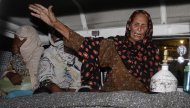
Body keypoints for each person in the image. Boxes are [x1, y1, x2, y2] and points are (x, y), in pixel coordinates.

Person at [29, 4, 160, 93]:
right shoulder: (115, 45)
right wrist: (55, 23)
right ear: (129, 26)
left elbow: (158, 84)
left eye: (144, 25)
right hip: (113, 101)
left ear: (148, 29)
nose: (139, 29)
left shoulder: (152, 52)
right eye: (136, 24)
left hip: (141, 104)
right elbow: (83, 44)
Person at [1, 25, 44, 97]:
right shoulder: (10, 56)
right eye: (16, 39)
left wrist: (16, 52)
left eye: (22, 41)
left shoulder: (42, 56)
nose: (16, 44)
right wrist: (9, 74)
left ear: (31, 40)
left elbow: (30, 80)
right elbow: (5, 71)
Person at [34, 29, 82, 94]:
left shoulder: (80, 52)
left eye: (62, 37)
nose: (60, 41)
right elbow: (44, 77)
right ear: (51, 38)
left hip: (79, 90)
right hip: (57, 92)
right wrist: (52, 86)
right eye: (56, 37)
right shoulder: (48, 53)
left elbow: (85, 75)